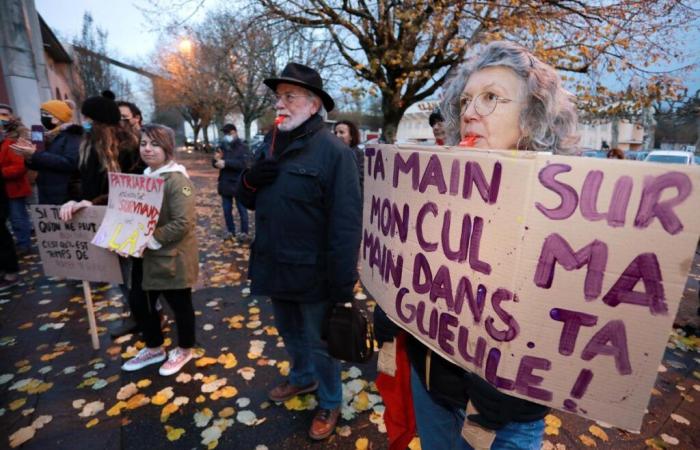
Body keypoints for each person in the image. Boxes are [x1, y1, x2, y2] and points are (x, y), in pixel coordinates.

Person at [399, 41, 579, 450]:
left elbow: (572, 319)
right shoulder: (432, 192)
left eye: (491, 98)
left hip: (505, 420)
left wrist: (516, 390)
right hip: (434, 393)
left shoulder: (569, 213)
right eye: (465, 100)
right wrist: (392, 304)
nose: (468, 112)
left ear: (532, 118)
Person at [236, 62, 362, 440]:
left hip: (313, 272)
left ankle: (330, 400)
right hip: (274, 264)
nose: (281, 104)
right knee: (289, 332)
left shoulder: (334, 152)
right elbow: (248, 199)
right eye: (279, 97)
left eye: (289, 97)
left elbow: (345, 223)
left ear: (313, 105)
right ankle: (302, 378)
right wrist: (250, 180)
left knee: (320, 342)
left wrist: (342, 285)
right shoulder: (272, 143)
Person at [121, 124, 199, 376]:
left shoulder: (177, 181)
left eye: (155, 144)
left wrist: (149, 239)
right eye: (144, 143)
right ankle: (155, 347)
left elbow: (183, 222)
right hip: (144, 256)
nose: (148, 149)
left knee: (180, 305)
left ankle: (185, 349)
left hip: (170, 258)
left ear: (167, 148)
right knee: (140, 303)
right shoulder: (144, 177)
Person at [11, 100, 82, 204]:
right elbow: (41, 164)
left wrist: (35, 154)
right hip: (47, 193)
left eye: (45, 114)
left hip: (65, 195)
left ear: (55, 118)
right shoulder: (48, 136)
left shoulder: (72, 136)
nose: (42, 118)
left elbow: (69, 163)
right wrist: (28, 156)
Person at [0, 116, 32, 254]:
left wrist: (1, 173)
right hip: (5, 189)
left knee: (18, 218)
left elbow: (19, 167)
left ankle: (24, 245)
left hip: (14, 188)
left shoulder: (11, 144)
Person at [213, 123, 250, 241]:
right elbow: (214, 160)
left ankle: (244, 232)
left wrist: (226, 163)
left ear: (234, 132)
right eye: (225, 133)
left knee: (242, 210)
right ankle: (230, 231)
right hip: (225, 184)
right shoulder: (222, 146)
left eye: (228, 133)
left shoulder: (243, 146)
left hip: (238, 183)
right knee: (226, 210)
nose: (226, 136)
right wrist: (216, 162)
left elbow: (244, 164)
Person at [333, 120, 364, 193]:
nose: (337, 135)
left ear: (351, 136)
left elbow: (360, 179)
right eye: (335, 132)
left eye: (341, 132)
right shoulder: (330, 153)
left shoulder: (358, 154)